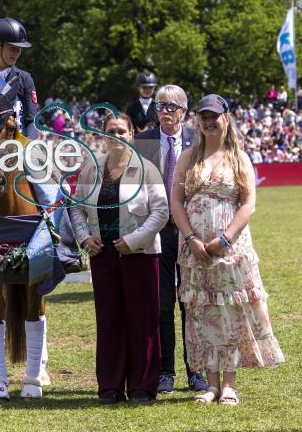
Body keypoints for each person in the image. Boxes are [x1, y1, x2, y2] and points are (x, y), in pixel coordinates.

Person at [171, 94, 284, 405]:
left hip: (230, 251)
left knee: (230, 312)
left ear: (226, 118)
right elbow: (176, 202)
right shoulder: (188, 157)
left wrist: (225, 238)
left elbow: (248, 204)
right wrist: (191, 238)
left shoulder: (239, 158)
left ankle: (230, 384)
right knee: (201, 312)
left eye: (214, 116)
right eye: (204, 116)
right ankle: (210, 384)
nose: (209, 122)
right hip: (195, 250)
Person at [71, 112, 169, 404]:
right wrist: (85, 238)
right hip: (103, 257)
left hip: (139, 256)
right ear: (103, 135)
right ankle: (111, 386)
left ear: (131, 135)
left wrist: (133, 240)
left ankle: (142, 387)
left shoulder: (147, 169)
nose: (116, 135)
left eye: (122, 131)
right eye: (110, 130)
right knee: (110, 322)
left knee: (143, 321)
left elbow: (161, 212)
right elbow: (76, 208)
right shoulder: (91, 169)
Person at [133, 85, 208, 394]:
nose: (163, 112)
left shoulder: (198, 139)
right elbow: (135, 186)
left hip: (192, 231)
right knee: (163, 304)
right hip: (157, 231)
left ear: (183, 112)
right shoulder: (144, 142)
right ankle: (166, 371)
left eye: (170, 107)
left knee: (191, 302)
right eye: (159, 107)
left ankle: (196, 370)